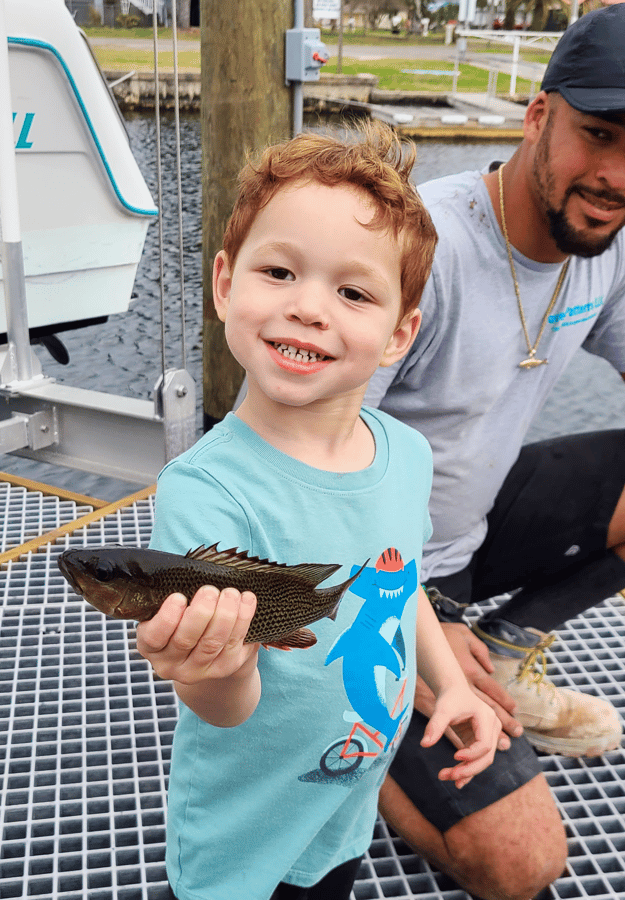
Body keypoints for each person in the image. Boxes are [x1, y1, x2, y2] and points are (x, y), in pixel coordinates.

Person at [135, 123, 501, 900]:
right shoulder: (206, 492)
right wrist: (217, 667)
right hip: (245, 830)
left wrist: (451, 683)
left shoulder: (406, 452)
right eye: (279, 271)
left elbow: (398, 588)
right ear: (226, 283)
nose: (307, 307)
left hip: (348, 801)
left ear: (400, 333)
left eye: (353, 291)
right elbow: (223, 709)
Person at [364, 5, 625, 899]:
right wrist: (422, 617)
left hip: (467, 531)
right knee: (522, 864)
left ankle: (499, 650)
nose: (619, 175)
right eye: (599, 132)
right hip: (358, 566)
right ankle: (348, 746)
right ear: (538, 117)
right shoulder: (422, 242)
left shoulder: (615, 244)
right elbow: (323, 463)